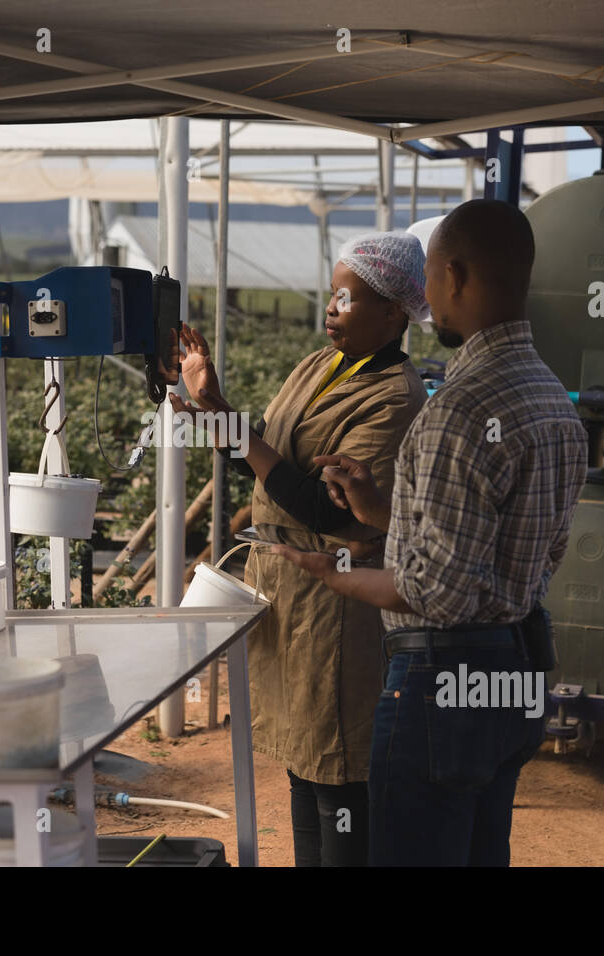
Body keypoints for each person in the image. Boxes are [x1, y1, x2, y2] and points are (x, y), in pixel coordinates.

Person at [272, 199, 588, 866]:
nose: (427, 298)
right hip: (515, 667)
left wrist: (335, 574)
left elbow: (434, 594)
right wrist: (383, 511)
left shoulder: (462, 410)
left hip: (440, 685)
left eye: (433, 278)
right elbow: (500, 548)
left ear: (457, 276)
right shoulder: (551, 397)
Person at [169, 232, 431, 867]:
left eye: (348, 297)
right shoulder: (319, 365)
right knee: (299, 760)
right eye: (332, 294)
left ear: (393, 313)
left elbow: (326, 512)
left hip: (334, 598)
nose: (332, 308)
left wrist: (223, 410)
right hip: (285, 588)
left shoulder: (395, 397)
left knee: (336, 768)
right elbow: (267, 466)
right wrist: (211, 416)